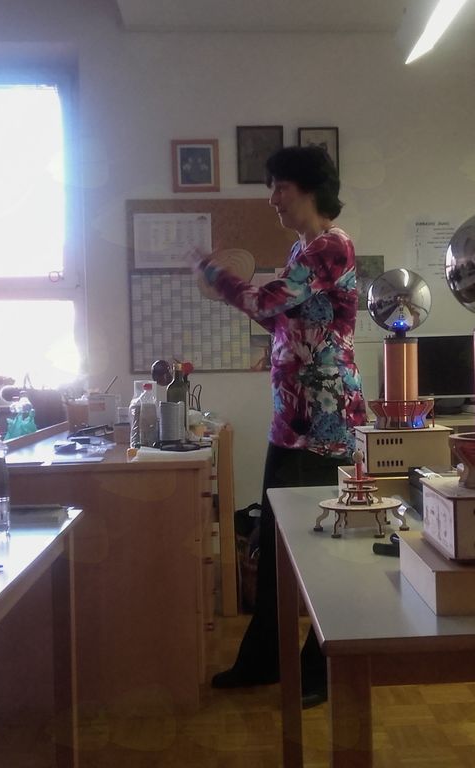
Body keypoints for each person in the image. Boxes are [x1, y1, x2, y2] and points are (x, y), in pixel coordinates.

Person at [192, 145, 367, 706]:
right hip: (292, 419)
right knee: (273, 542)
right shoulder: (301, 250)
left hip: (327, 422)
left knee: (321, 546)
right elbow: (282, 319)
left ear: (308, 188)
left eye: (280, 188)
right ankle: (264, 659)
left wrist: (215, 275)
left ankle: (323, 666)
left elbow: (269, 303)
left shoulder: (332, 246)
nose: (272, 199)